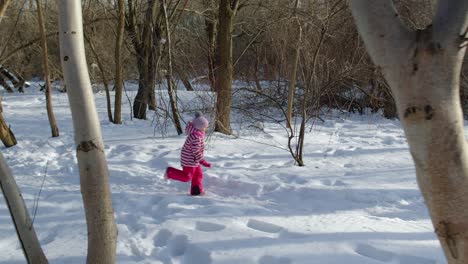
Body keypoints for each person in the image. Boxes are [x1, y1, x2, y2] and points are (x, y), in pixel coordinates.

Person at [164, 112, 211, 195]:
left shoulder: (197, 135)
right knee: (187, 177)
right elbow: (195, 151)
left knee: (198, 175)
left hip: (194, 160)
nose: (205, 129)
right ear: (200, 127)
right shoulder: (196, 137)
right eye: (204, 127)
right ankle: (170, 172)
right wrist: (203, 161)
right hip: (189, 160)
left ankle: (196, 191)